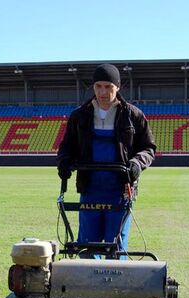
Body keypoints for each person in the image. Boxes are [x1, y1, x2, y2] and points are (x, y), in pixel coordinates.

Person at [57, 64, 156, 257]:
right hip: (90, 189)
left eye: (108, 87)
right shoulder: (80, 116)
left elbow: (148, 148)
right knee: (87, 246)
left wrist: (136, 163)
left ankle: (117, 284)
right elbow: (66, 146)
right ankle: (88, 285)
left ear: (117, 87)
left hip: (120, 190)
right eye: (98, 86)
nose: (103, 92)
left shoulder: (133, 116)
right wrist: (64, 161)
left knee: (116, 247)